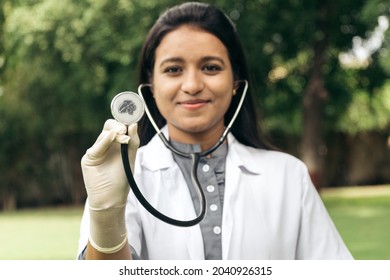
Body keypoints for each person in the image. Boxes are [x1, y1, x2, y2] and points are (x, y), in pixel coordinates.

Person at [77, 2, 352, 260]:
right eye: (173, 69)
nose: (193, 85)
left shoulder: (289, 176)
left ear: (235, 80)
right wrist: (107, 215)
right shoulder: (125, 175)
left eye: (210, 67)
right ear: (152, 84)